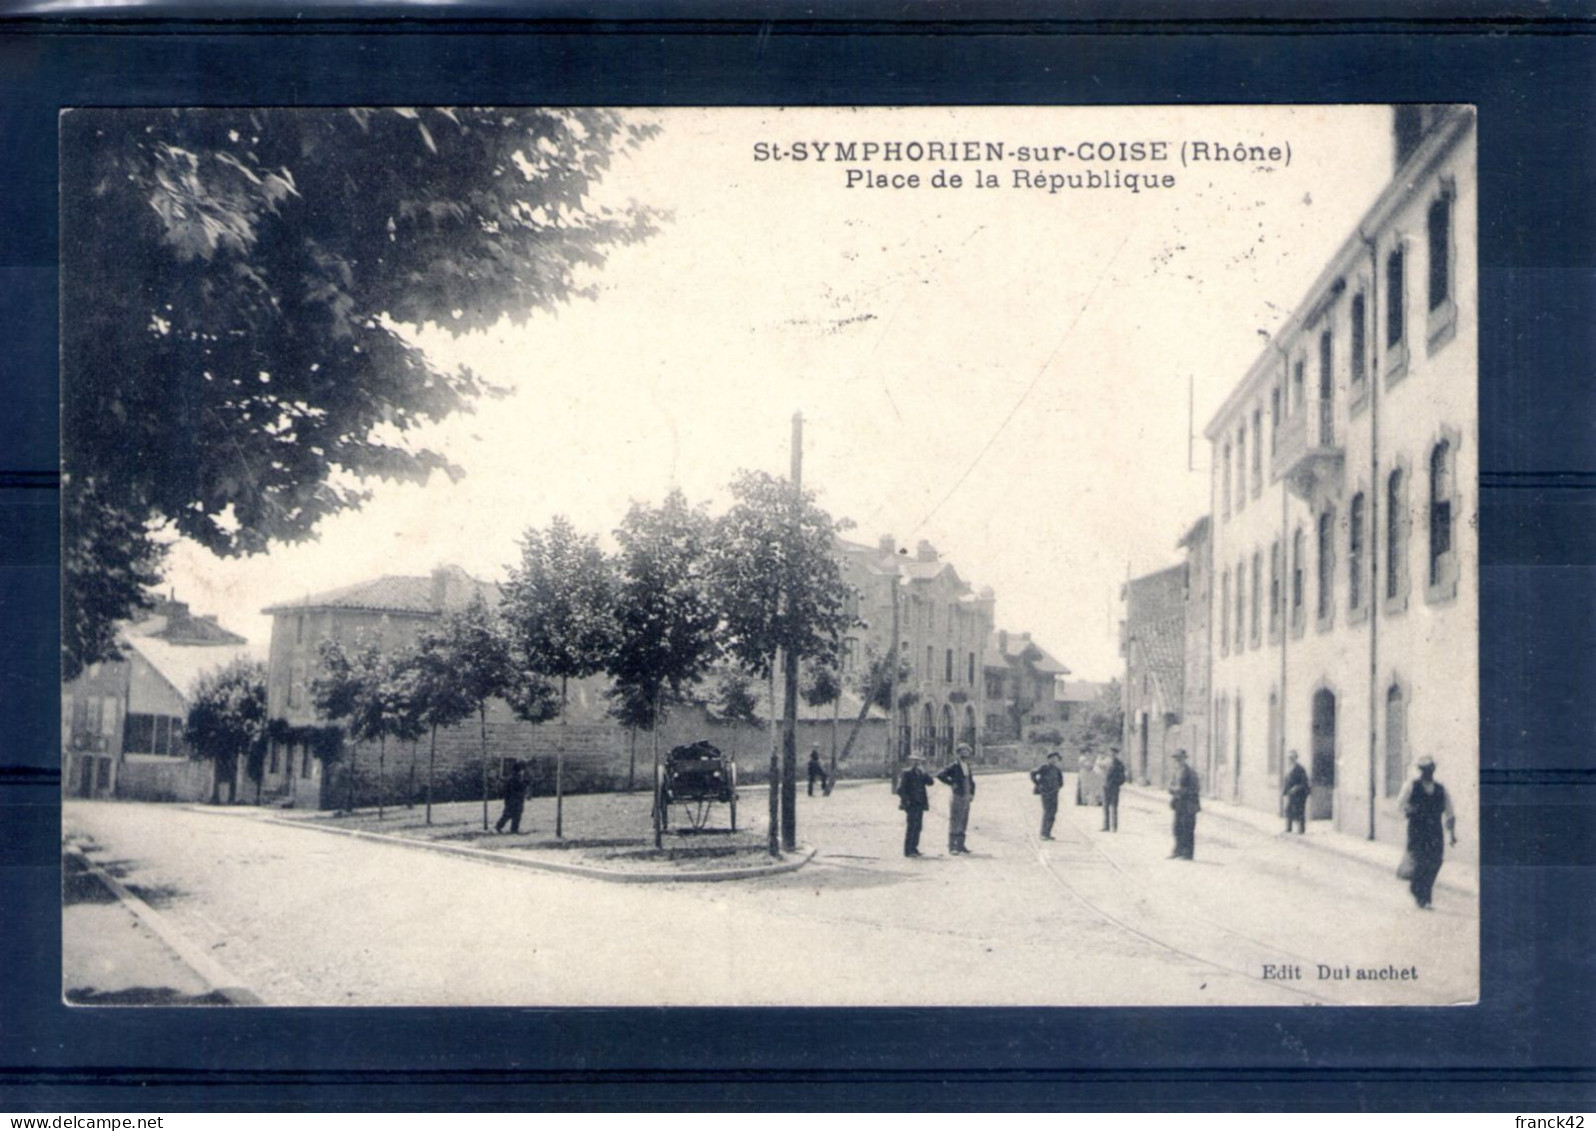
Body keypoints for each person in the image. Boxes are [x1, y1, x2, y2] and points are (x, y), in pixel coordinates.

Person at [1397, 755, 1457, 909]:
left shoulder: (1440, 789)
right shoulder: (1412, 785)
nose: (1427, 772)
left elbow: (1449, 812)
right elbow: (1400, 804)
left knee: (1435, 861)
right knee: (1420, 861)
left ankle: (1420, 891)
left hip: (1434, 830)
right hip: (1417, 829)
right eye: (1424, 769)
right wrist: (1410, 810)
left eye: (1430, 769)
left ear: (1434, 770)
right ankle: (1423, 896)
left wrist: (1452, 834)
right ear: (1420, 770)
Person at [937, 743, 978, 854]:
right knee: (955, 820)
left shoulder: (967, 766)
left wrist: (972, 793)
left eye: (967, 751)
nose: (965, 753)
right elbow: (940, 775)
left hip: (966, 797)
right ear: (958, 753)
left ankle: (961, 845)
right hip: (957, 796)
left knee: (964, 820)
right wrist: (952, 783)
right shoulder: (954, 766)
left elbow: (971, 782)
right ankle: (952, 846)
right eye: (962, 751)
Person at [895, 753, 935, 858]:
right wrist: (906, 800)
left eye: (919, 761)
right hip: (911, 804)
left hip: (920, 803)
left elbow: (931, 782)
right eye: (914, 760)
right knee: (911, 826)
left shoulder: (921, 773)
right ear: (911, 761)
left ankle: (914, 848)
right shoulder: (906, 773)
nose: (917, 763)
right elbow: (900, 789)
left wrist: (925, 772)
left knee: (918, 826)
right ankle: (908, 851)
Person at [1167, 749, 1200, 859]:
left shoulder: (1190, 773)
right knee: (1177, 827)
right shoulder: (1176, 772)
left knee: (1188, 828)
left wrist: (1181, 790)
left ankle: (1188, 853)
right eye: (1176, 759)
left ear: (1184, 759)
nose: (1177, 761)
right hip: (1178, 804)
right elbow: (1171, 785)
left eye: (1180, 759)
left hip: (1189, 804)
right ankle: (1178, 850)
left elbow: (1195, 789)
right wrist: (1173, 789)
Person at [1029, 751, 1065, 840]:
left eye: (1056, 759)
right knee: (1047, 812)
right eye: (1053, 758)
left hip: (1054, 793)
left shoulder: (1057, 769)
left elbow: (1061, 781)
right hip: (1046, 792)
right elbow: (1033, 773)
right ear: (1049, 759)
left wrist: (1057, 787)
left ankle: (1048, 833)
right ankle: (1043, 833)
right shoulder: (1044, 767)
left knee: (1053, 812)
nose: (1054, 760)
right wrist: (1038, 784)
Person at [1281, 751, 1310, 834]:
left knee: (1300, 810)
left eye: (1292, 758)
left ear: (1295, 758)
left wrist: (1296, 788)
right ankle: (1289, 828)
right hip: (1291, 793)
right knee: (1289, 809)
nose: (1290, 760)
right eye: (1289, 758)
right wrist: (1284, 791)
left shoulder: (1300, 769)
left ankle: (1301, 829)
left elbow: (1304, 782)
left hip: (1300, 793)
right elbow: (1287, 781)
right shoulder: (1289, 768)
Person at [494, 761, 527, 834]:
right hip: (514, 799)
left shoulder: (512, 778)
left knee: (511, 814)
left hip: (512, 800)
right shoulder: (515, 779)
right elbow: (519, 788)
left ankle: (511, 828)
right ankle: (501, 827)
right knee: (512, 814)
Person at [1102, 749, 1128, 832]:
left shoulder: (1119, 764)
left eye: (1113, 753)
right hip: (1106, 786)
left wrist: (1117, 783)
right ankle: (1106, 826)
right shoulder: (1107, 762)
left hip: (1114, 787)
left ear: (1116, 754)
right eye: (1110, 753)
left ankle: (1114, 827)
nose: (1111, 754)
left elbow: (1122, 777)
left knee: (1114, 807)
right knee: (1105, 806)